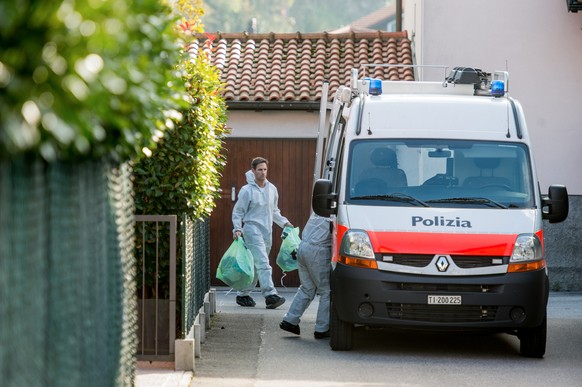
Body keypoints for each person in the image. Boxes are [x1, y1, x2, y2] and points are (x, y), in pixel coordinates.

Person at [232, 156, 292, 309]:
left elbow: (274, 211)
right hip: (252, 230)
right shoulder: (247, 191)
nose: (263, 172)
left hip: (267, 231)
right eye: (260, 170)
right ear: (253, 171)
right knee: (264, 263)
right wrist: (237, 228)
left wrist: (284, 222)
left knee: (256, 264)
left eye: (265, 169)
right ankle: (270, 295)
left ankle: (243, 294)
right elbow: (238, 212)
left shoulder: (272, 189)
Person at [279, 212, 332, 339]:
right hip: (319, 251)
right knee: (326, 291)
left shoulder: (318, 210)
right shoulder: (335, 213)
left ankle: (290, 320)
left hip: (303, 247)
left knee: (307, 288)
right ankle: (322, 328)